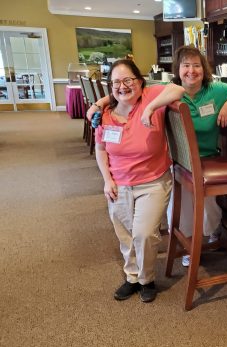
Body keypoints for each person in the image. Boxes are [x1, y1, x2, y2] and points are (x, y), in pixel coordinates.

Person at [91, 59, 185, 303]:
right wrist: (107, 180)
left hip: (153, 181)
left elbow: (178, 89)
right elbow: (100, 149)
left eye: (128, 80)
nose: (122, 87)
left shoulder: (150, 95)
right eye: (116, 83)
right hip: (119, 183)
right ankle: (132, 277)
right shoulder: (105, 115)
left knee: (143, 234)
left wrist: (149, 108)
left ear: (140, 82)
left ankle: (147, 278)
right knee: (125, 234)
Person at [165, 45, 227, 267]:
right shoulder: (170, 92)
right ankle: (189, 244)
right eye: (186, 65)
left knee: (208, 203)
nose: (191, 71)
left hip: (208, 159)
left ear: (203, 69)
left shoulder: (214, 90)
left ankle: (212, 230)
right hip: (179, 162)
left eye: (196, 65)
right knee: (184, 201)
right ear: (178, 69)